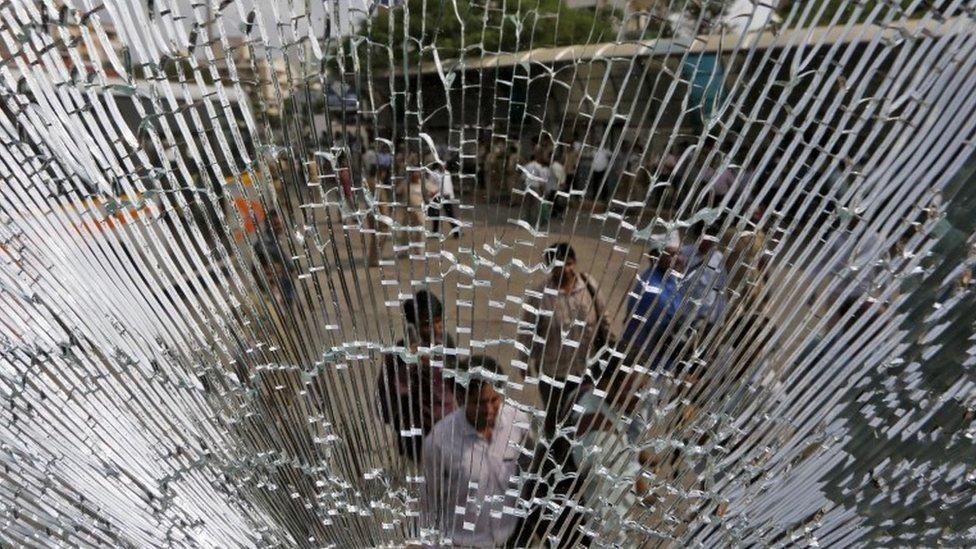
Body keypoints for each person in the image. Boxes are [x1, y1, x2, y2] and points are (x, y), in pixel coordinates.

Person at [421, 355, 531, 547]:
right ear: (461, 398)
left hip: (512, 537)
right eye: (479, 403)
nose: (489, 410)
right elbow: (429, 502)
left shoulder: (518, 423)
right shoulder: (439, 442)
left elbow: (529, 475)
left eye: (494, 400)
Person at [517, 243, 611, 440]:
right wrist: (523, 360)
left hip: (586, 371)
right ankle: (553, 458)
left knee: (587, 417)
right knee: (554, 421)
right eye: (558, 265)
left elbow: (605, 319)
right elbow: (526, 330)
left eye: (568, 263)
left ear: (574, 262)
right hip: (554, 374)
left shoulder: (589, 286)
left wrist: (612, 350)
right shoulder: (540, 297)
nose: (565, 270)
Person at [377, 291, 457, 461]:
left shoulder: (446, 343)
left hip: (448, 429)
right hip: (417, 437)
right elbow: (386, 397)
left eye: (438, 322)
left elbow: (456, 382)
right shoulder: (399, 354)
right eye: (427, 324)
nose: (436, 329)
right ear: (412, 326)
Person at [620, 233, 685, 364]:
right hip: (646, 361)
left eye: (679, 253)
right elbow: (672, 326)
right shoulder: (653, 289)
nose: (679, 259)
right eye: (672, 255)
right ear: (656, 257)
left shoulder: (668, 278)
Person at [253, 210, 295, 306]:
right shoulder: (265, 246)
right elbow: (260, 271)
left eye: (281, 223)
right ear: (269, 225)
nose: (280, 227)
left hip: (284, 289)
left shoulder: (275, 240)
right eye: (276, 224)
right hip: (275, 292)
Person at [428, 162, 459, 238]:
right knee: (436, 214)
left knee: (450, 214)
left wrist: (451, 195)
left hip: (446, 196)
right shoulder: (434, 173)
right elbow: (430, 184)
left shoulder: (447, 173)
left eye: (444, 164)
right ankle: (435, 232)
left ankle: (456, 231)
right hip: (437, 196)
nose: (443, 166)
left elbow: (449, 185)